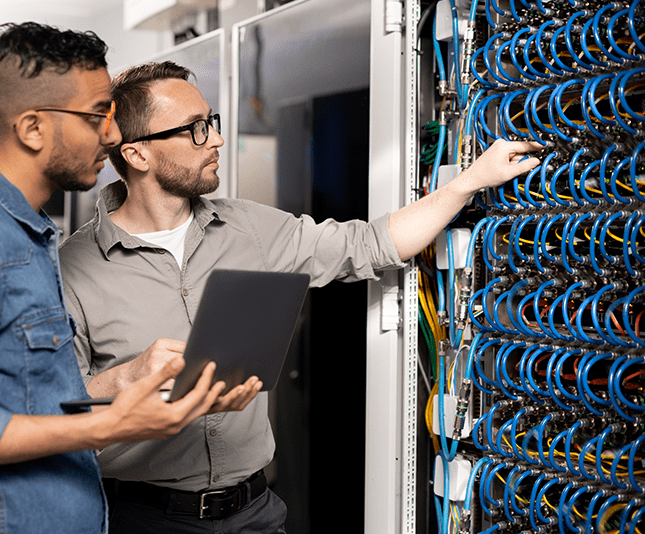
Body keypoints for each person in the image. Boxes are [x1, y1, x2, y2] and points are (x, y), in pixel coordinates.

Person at [58, 60, 541, 533]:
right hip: (143, 519)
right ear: (138, 154)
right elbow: (53, 411)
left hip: (255, 513)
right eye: (196, 129)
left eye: (212, 122)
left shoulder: (252, 228)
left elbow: (369, 245)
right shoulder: (72, 268)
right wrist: (127, 377)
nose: (218, 139)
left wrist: (468, 183)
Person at [0, 25, 260, 534]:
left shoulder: (31, 234)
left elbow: (26, 398)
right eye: (96, 115)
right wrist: (112, 425)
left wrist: (129, 380)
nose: (113, 133)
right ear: (33, 128)